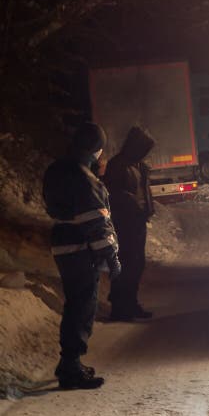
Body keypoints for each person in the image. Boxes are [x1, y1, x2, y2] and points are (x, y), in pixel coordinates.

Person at [43, 121, 122, 390]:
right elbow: (96, 223)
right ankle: (70, 367)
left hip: (63, 246)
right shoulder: (83, 178)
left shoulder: (56, 170)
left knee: (75, 303)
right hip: (81, 249)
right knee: (83, 305)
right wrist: (111, 258)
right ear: (94, 149)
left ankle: (71, 363)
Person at [103, 126, 155, 321]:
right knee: (125, 264)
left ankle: (131, 304)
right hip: (123, 224)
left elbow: (143, 192)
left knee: (137, 265)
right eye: (143, 149)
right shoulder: (118, 165)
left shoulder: (138, 165)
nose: (145, 154)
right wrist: (130, 202)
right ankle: (119, 307)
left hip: (137, 222)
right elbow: (112, 193)